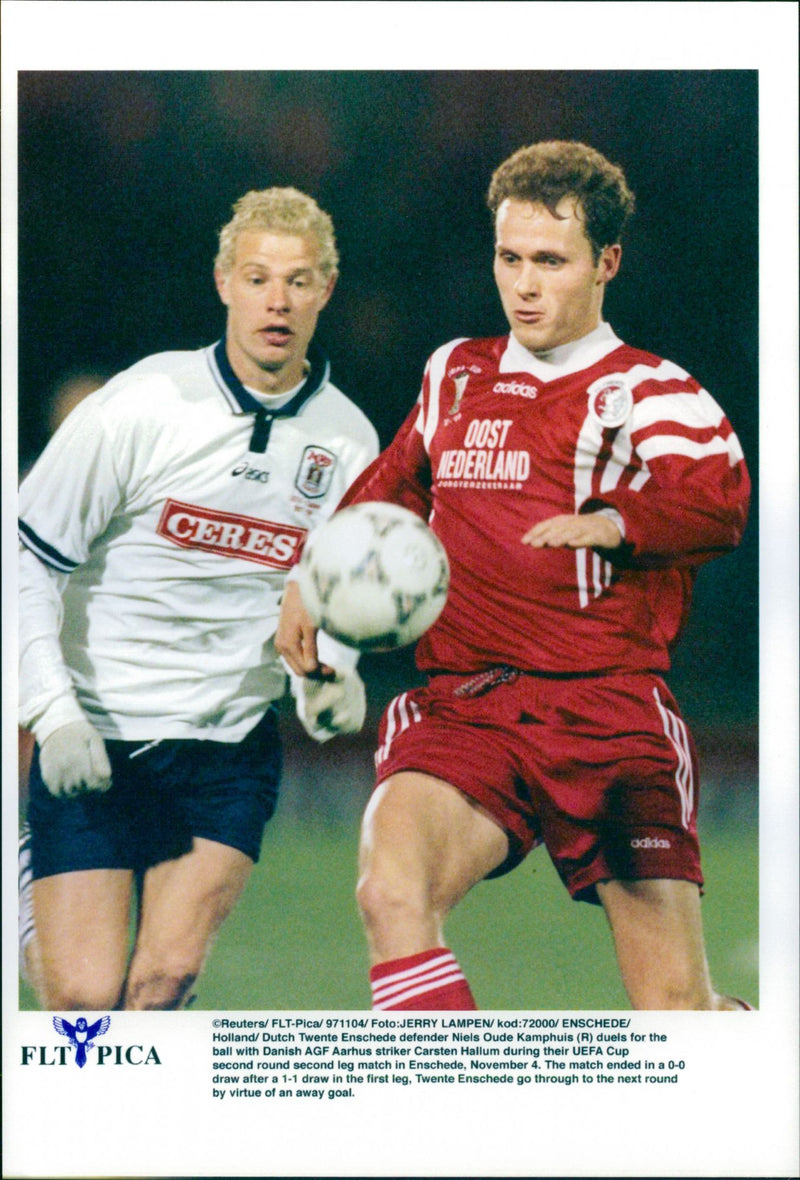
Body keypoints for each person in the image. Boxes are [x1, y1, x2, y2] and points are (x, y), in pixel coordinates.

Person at [277, 141, 753, 1011]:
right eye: (509, 259)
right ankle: (456, 1134)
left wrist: (615, 522)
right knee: (390, 893)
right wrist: (316, 574)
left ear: (607, 263)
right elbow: (395, 483)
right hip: (468, 705)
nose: (524, 285)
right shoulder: (455, 372)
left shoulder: (652, 389)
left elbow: (717, 500)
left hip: (606, 714)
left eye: (550, 261)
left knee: (677, 1018)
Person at [18, 186, 379, 1010]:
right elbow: (26, 559)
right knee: (82, 1005)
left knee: (163, 982)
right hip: (99, 737)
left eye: (298, 280)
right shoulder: (141, 405)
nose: (277, 300)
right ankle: (20, 896)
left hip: (226, 750)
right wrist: (54, 713)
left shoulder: (351, 441)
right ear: (224, 283)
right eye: (257, 278)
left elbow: (332, 595)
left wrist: (332, 676)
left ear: (326, 289)